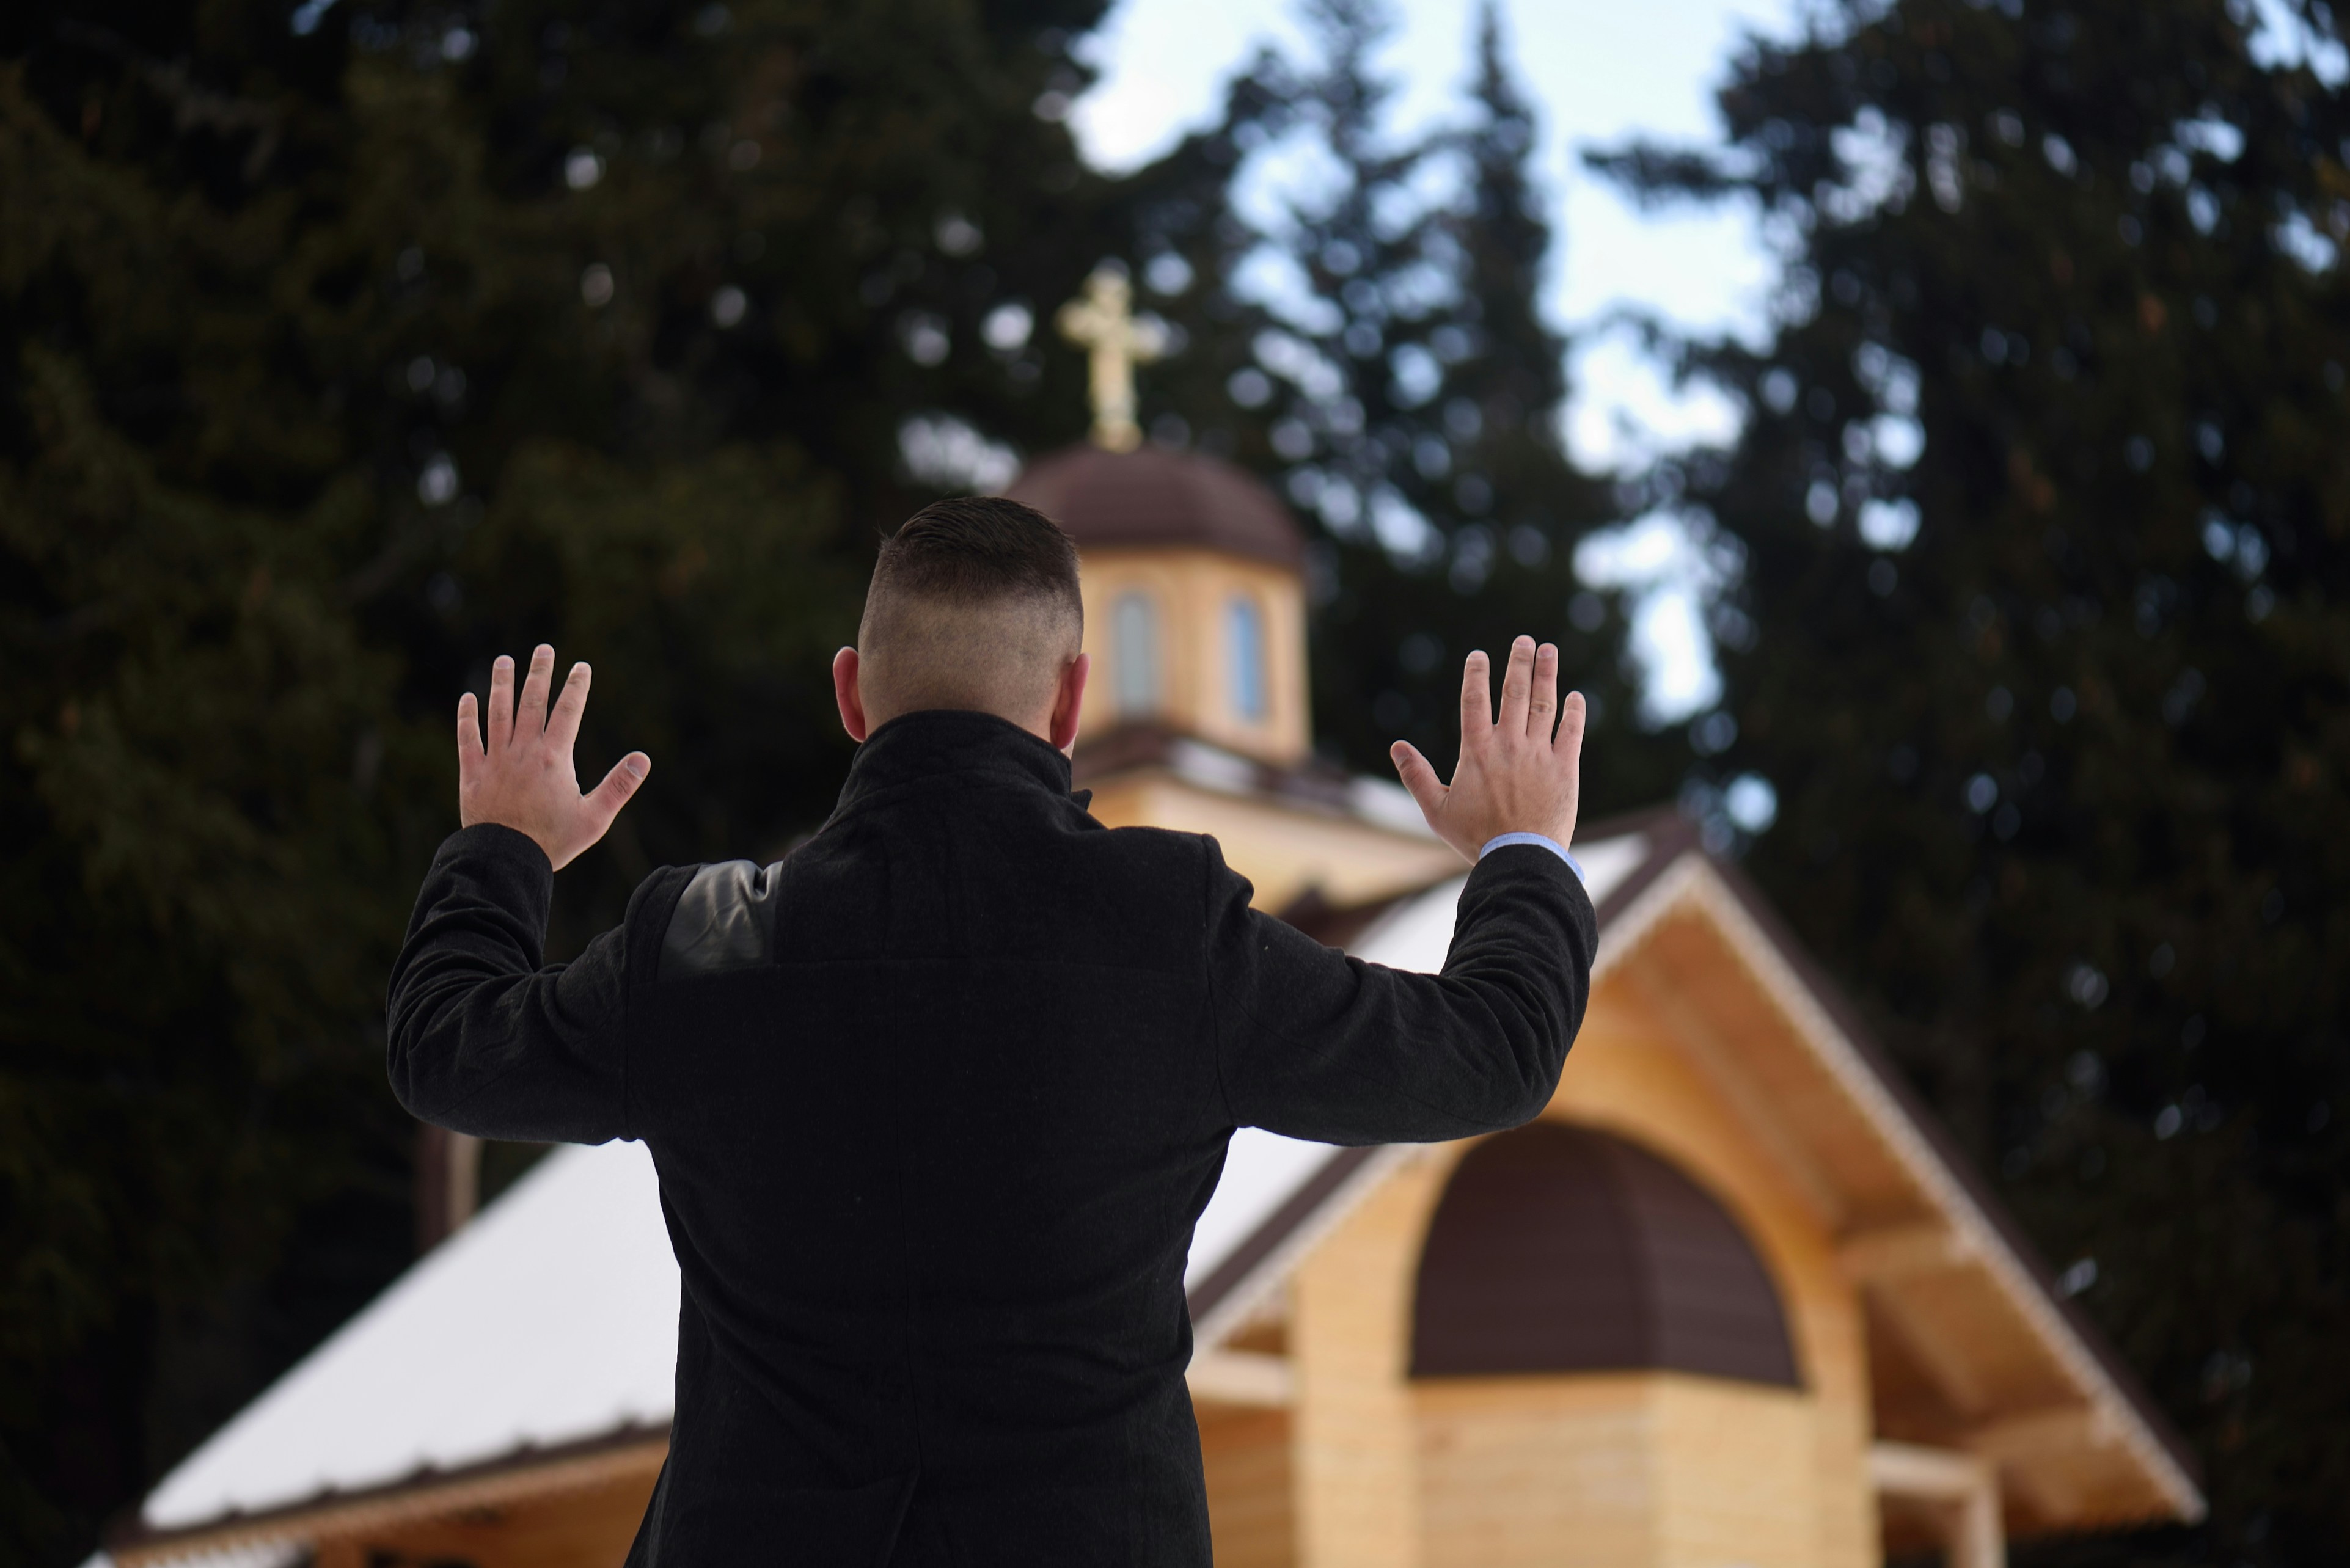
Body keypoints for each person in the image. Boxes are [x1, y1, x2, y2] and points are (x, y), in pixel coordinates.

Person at [387, 495, 1597, 1566]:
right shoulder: (1167, 931)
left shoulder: (700, 940)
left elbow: (444, 1048)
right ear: (1072, 700)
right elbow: (1491, 1051)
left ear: (852, 693)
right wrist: (1522, 850)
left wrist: (503, 845)